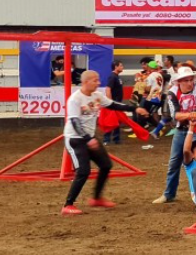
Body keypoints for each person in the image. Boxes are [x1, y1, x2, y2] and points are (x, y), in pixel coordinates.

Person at [61, 70, 149, 215]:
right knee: (83, 171)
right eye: (95, 80)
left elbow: (114, 105)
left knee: (106, 165)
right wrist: (88, 139)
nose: (99, 83)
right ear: (85, 82)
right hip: (75, 139)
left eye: (98, 80)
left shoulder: (97, 96)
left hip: (90, 137)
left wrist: (135, 108)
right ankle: (68, 205)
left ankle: (96, 198)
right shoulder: (75, 99)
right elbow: (74, 122)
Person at [152, 66, 196, 205]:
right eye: (186, 80)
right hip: (182, 130)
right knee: (174, 162)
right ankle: (169, 194)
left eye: (191, 80)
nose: (190, 83)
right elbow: (176, 115)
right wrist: (189, 115)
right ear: (179, 81)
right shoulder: (172, 93)